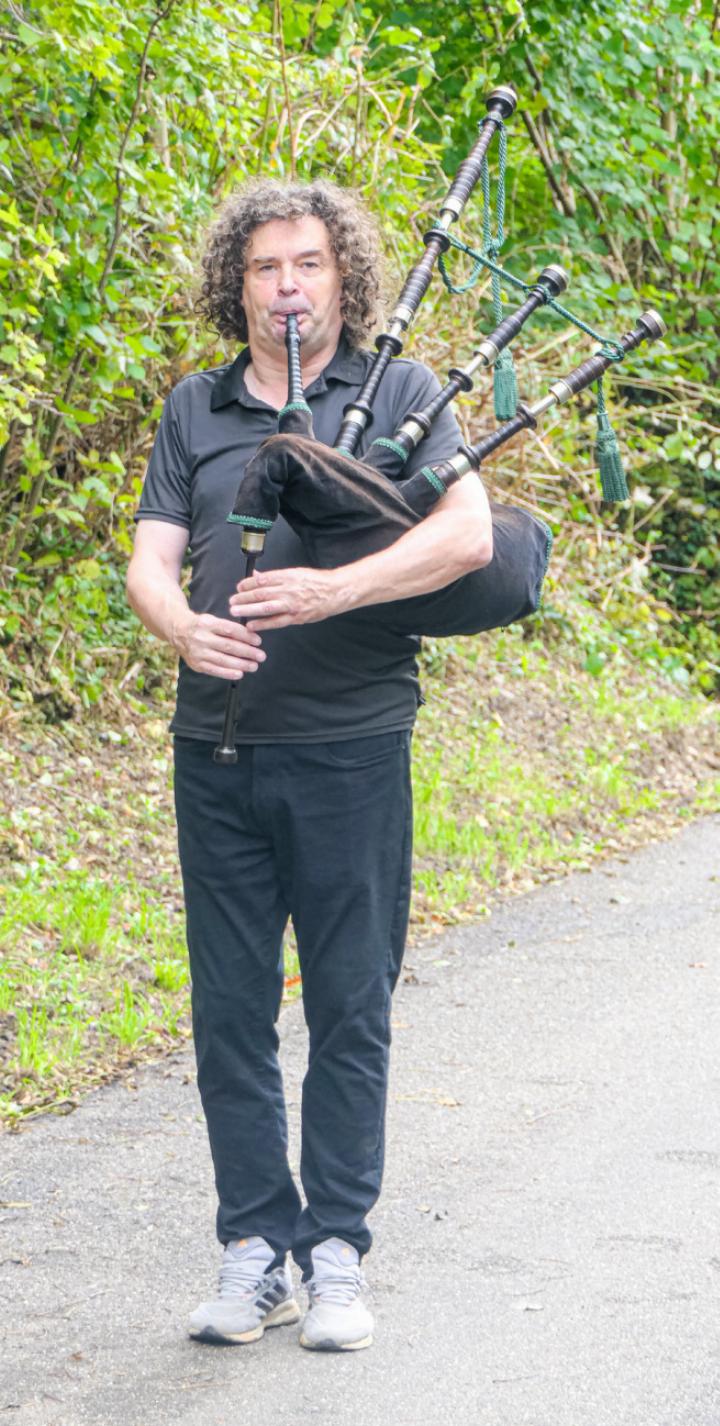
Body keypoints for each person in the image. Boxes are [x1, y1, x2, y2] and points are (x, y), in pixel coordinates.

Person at [126, 179, 492, 1352]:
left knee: (349, 1007)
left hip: (352, 748)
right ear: (237, 282)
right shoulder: (198, 406)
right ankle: (254, 1252)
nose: (287, 286)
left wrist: (339, 586)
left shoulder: (399, 391)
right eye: (266, 268)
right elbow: (149, 561)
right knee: (230, 1013)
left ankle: (335, 1251)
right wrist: (183, 627)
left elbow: (469, 536)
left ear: (345, 278)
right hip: (216, 751)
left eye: (309, 265)